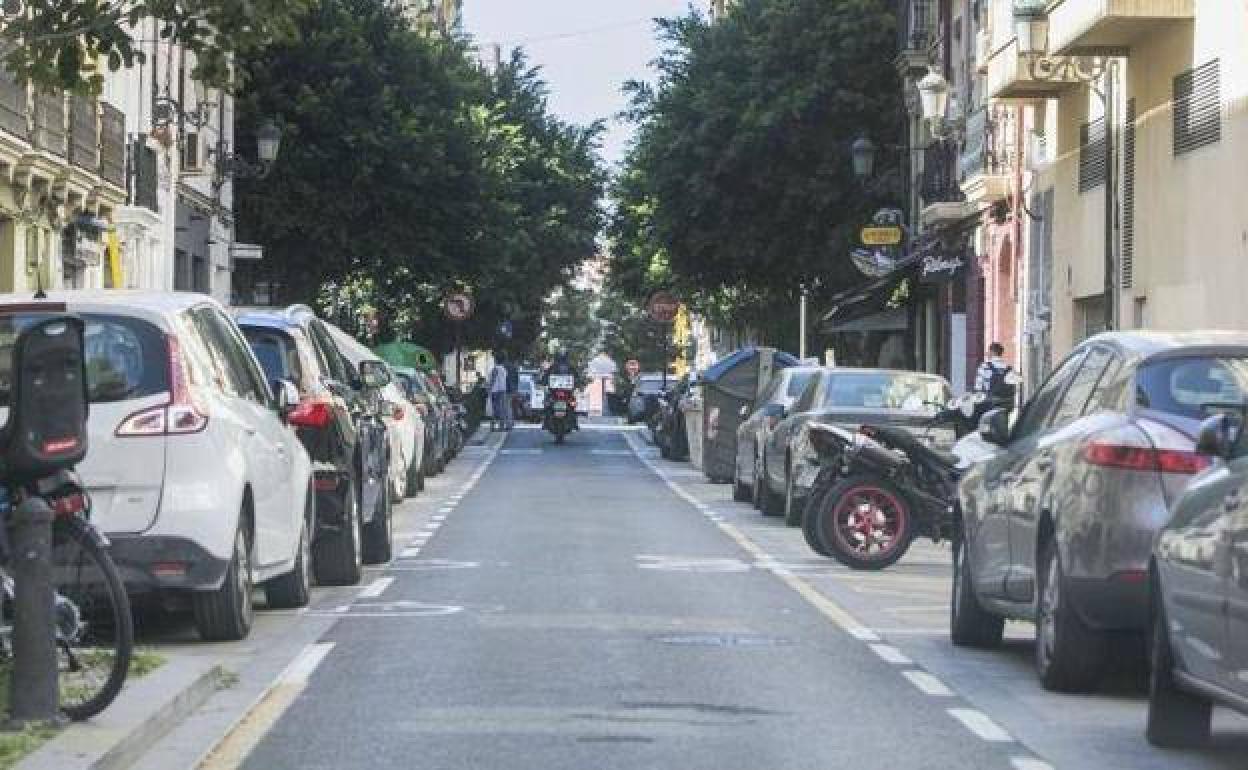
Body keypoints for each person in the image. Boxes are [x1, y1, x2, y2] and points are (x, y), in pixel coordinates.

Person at [974, 342, 1018, 412]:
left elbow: (978, 386)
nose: (987, 354)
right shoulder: (1009, 368)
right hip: (1007, 403)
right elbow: (1014, 387)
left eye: (988, 352)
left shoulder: (984, 366)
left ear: (992, 352)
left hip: (990, 402)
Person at [488, 353, 509, 432]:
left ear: (496, 360)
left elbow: (493, 379)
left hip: (495, 391)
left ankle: (492, 426)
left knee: (494, 409)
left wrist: (489, 388)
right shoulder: (504, 369)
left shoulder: (495, 369)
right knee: (501, 408)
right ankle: (501, 426)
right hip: (503, 390)